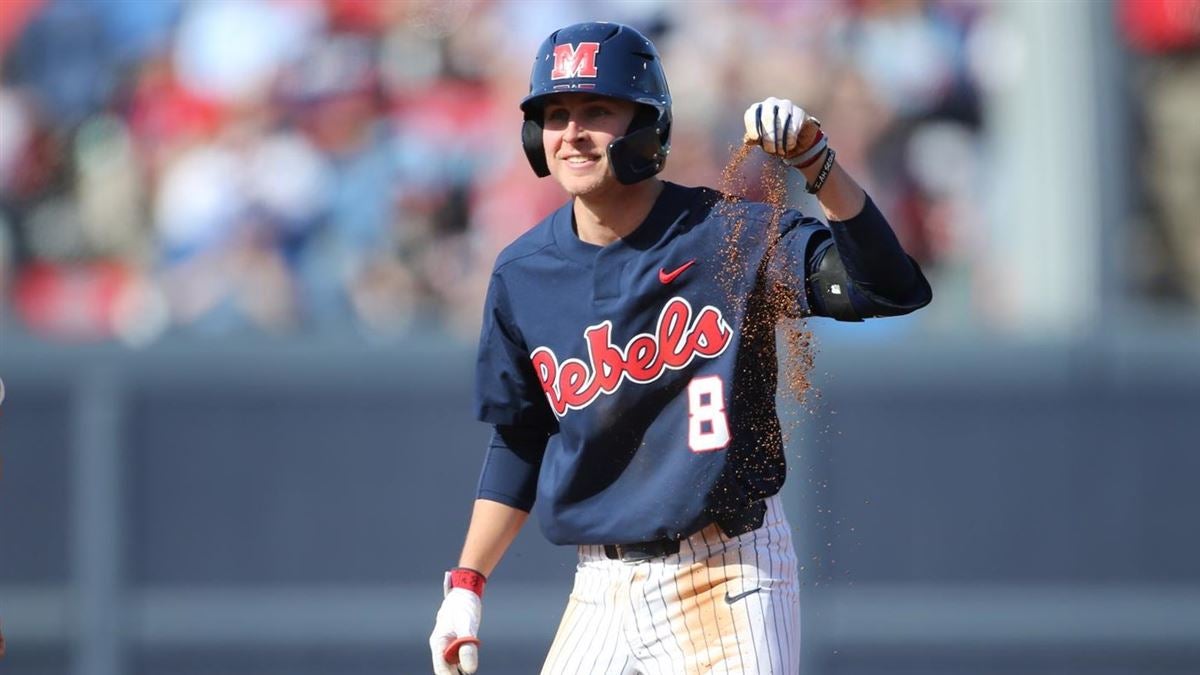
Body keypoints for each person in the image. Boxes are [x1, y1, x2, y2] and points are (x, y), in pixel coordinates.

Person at [429, 21, 931, 675]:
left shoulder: (726, 235)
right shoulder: (523, 273)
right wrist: (466, 585)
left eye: (595, 111)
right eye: (554, 114)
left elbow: (887, 289)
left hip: (725, 571)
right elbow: (520, 439)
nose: (570, 132)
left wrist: (819, 166)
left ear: (645, 127)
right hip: (599, 587)